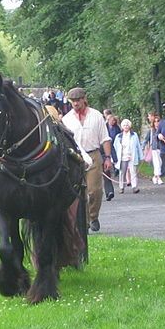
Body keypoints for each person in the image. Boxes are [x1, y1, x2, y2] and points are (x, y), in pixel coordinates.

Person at [61, 87, 113, 232]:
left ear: (84, 99)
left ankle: (93, 216)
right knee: (78, 191)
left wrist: (108, 157)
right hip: (75, 157)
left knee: (94, 190)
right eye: (73, 101)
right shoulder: (66, 119)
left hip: (93, 155)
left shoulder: (96, 116)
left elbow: (105, 138)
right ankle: (83, 222)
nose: (76, 103)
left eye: (78, 100)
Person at [114, 119, 144, 194]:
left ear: (129, 126)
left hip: (132, 156)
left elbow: (138, 146)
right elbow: (115, 146)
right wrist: (114, 158)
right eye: (124, 125)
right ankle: (121, 187)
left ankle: (134, 187)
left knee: (133, 171)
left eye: (127, 125)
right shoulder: (119, 136)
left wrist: (141, 156)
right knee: (122, 172)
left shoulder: (134, 135)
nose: (126, 126)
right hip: (122, 156)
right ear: (122, 127)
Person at [103, 114, 122, 201]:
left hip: (104, 153)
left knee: (106, 173)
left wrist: (111, 158)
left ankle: (109, 192)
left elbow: (109, 143)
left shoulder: (106, 131)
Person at [143, 115, 163, 184]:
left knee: (160, 163)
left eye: (158, 121)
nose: (157, 123)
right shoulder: (151, 131)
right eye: (155, 122)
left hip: (162, 148)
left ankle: (155, 176)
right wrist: (143, 148)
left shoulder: (162, 130)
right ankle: (158, 177)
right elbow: (146, 139)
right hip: (154, 149)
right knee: (157, 163)